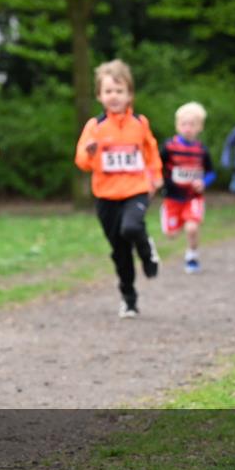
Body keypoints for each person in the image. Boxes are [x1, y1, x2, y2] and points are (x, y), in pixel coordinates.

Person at [74, 59, 163, 318]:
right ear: (100, 95)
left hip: (136, 189)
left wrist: (156, 176)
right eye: (109, 91)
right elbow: (81, 162)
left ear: (129, 94)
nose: (114, 96)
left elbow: (151, 151)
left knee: (132, 227)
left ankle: (147, 251)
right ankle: (129, 297)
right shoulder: (95, 126)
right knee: (120, 251)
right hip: (106, 195)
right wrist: (90, 153)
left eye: (119, 91)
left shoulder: (140, 123)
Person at [159, 102, 216, 274]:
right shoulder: (169, 147)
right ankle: (170, 219)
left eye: (192, 124)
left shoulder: (202, 150)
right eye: (184, 124)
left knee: (192, 228)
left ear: (200, 127)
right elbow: (157, 166)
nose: (188, 128)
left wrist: (204, 182)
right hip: (173, 198)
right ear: (177, 125)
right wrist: (158, 180)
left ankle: (192, 255)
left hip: (193, 197)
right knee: (171, 235)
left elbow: (211, 173)